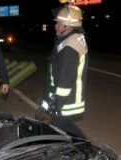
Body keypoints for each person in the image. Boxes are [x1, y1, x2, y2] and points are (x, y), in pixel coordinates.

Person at [36, 4, 88, 139]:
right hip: (65, 101)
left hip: (66, 103)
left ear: (67, 26)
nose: (55, 26)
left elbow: (65, 81)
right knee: (61, 132)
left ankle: (91, 150)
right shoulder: (71, 40)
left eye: (58, 23)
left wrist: (57, 106)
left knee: (65, 131)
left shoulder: (69, 47)